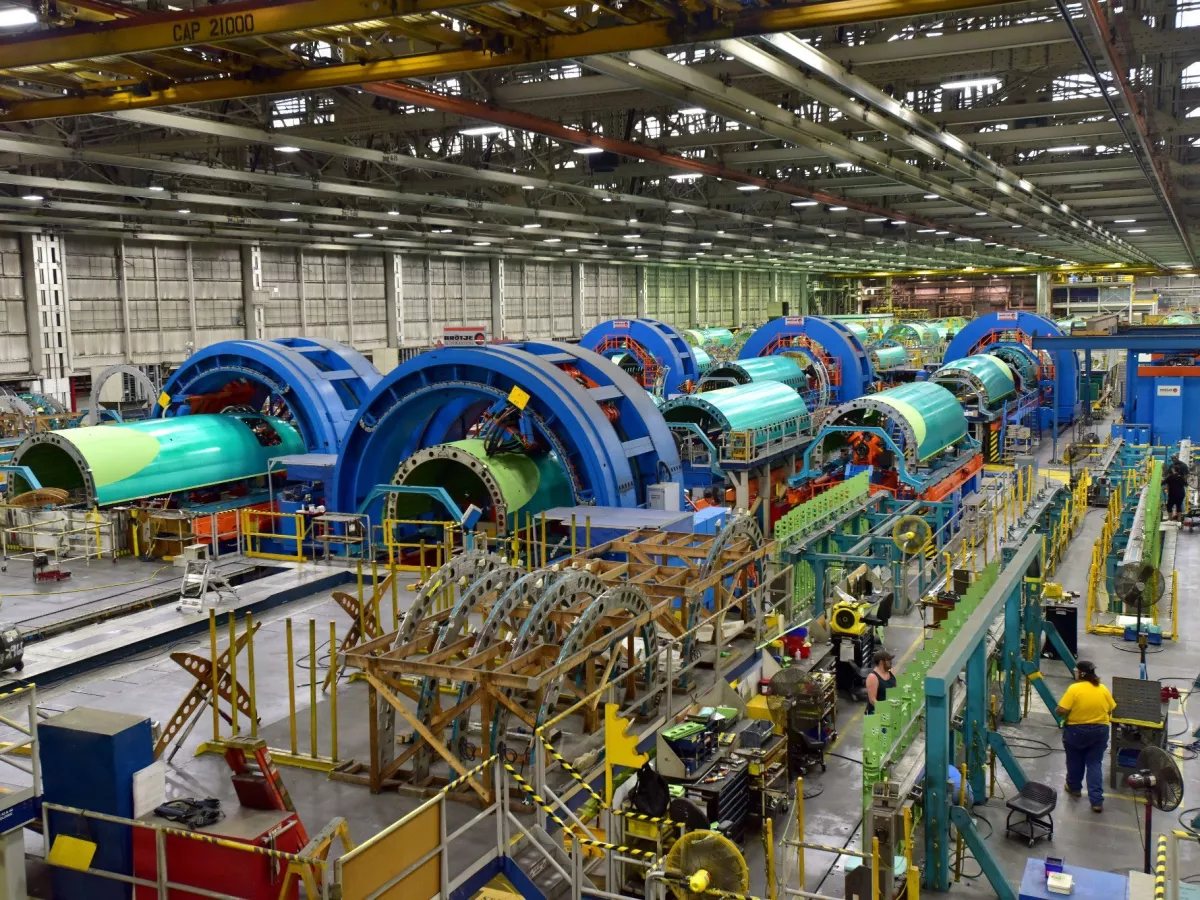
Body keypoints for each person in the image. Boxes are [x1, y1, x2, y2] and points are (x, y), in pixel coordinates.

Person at [1055, 659, 1116, 812]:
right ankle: (1096, 801)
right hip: (1100, 730)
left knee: (1075, 759)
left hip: (1077, 730)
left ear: (1080, 673)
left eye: (1076, 671)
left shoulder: (1074, 689)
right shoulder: (1102, 688)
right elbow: (1111, 707)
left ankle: (1075, 788)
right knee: (1095, 763)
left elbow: (1061, 709)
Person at [865, 648, 896, 715]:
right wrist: (885, 710)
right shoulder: (872, 677)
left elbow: (895, 690)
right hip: (876, 714)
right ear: (882, 662)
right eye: (889, 660)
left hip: (889, 711)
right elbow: (872, 700)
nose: (891, 662)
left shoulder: (891, 672)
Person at [1165, 454, 1189, 521]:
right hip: (1178, 487)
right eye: (1173, 459)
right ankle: (1178, 517)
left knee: (1174, 504)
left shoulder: (1183, 466)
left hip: (1177, 487)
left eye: (1174, 458)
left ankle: (1175, 517)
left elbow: (1186, 475)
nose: (1173, 460)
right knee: (1179, 503)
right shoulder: (1173, 466)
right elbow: (1185, 476)